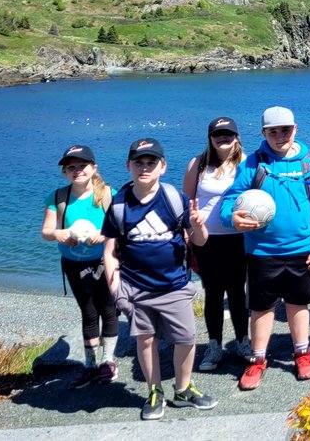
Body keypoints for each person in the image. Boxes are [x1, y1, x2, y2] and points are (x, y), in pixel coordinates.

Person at [102, 138, 216, 420]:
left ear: (162, 166)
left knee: (187, 338)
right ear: (128, 166)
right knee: (146, 341)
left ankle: (183, 388)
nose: (144, 167)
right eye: (138, 162)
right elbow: (109, 252)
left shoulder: (174, 199)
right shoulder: (118, 205)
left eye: (151, 162)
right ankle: (154, 391)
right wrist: (116, 289)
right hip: (136, 287)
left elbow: (199, 242)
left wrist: (200, 225)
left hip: (175, 285)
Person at [220, 107, 310, 391]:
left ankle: (303, 353)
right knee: (261, 308)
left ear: (295, 129)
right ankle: (257, 360)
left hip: (302, 250)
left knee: (298, 304)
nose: (280, 136)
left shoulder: (308, 163)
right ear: (263, 133)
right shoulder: (253, 164)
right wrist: (231, 217)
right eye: (273, 132)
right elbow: (229, 201)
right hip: (262, 252)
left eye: (285, 130)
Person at [41, 145, 119, 389]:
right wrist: (59, 233)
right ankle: (90, 364)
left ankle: (108, 361)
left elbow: (121, 229)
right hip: (73, 264)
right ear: (65, 172)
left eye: (82, 166)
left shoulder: (108, 195)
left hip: (103, 261)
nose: (77, 171)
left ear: (93, 168)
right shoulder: (57, 198)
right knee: (87, 311)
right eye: (71, 167)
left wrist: (102, 234)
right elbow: (46, 232)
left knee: (108, 308)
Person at [182, 117, 250, 372]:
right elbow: (186, 201)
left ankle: (243, 341)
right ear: (210, 138)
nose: (223, 138)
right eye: (218, 134)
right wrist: (188, 233)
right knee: (212, 292)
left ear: (237, 136)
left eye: (228, 134)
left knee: (236, 290)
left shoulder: (245, 162)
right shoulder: (198, 164)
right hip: (205, 239)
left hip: (237, 237)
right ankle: (214, 345)